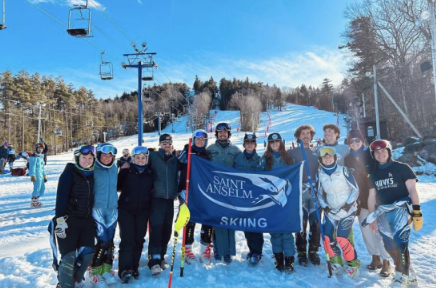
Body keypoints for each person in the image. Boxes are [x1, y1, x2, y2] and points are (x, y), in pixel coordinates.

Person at [366, 139, 422, 286]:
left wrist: (417, 212)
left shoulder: (402, 168)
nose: (380, 154)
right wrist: (372, 218)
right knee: (388, 245)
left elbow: (412, 190)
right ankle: (409, 273)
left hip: (400, 208)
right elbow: (371, 198)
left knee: (399, 242)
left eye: (383, 151)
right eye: (376, 152)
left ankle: (401, 275)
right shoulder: (373, 173)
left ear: (389, 151)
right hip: (383, 211)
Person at [344, 130, 391, 277]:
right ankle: (374, 257)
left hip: (376, 199)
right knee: (366, 231)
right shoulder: (347, 159)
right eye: (352, 141)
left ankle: (386, 261)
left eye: (357, 141)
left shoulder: (371, 155)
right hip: (360, 200)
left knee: (379, 231)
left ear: (362, 142)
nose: (355, 144)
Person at [53, 145, 96, 288]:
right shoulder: (69, 173)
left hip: (87, 221)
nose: (87, 161)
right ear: (78, 158)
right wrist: (59, 221)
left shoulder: (93, 174)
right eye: (84, 158)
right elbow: (61, 199)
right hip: (69, 220)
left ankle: (77, 279)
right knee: (69, 256)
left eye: (90, 158)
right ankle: (65, 284)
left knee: (88, 253)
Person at [316, 146, 360, 277]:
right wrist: (325, 207)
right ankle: (337, 262)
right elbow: (319, 194)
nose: (327, 158)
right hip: (331, 211)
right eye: (324, 156)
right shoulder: (320, 174)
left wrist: (347, 206)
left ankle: (353, 264)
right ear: (320, 159)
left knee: (342, 238)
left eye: (330, 156)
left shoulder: (343, 170)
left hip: (347, 210)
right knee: (327, 238)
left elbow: (355, 190)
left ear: (335, 158)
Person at [117, 146, 154, 283]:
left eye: (143, 158)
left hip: (142, 211)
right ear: (133, 158)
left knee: (139, 239)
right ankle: (124, 269)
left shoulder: (150, 173)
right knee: (128, 239)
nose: (140, 160)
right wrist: (122, 169)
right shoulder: (126, 171)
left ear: (146, 159)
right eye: (137, 158)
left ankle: (134, 267)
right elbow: (116, 186)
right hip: (126, 210)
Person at [206, 122, 241, 264]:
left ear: (229, 134)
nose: (222, 134)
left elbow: (240, 169)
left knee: (229, 220)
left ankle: (229, 251)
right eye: (220, 132)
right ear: (216, 134)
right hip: (215, 190)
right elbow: (202, 165)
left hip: (231, 191)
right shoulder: (210, 149)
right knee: (218, 221)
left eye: (225, 132)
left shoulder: (236, 150)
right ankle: (218, 249)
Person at [178, 129, 214, 264]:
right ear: (193, 140)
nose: (199, 142)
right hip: (187, 190)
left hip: (203, 191)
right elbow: (176, 164)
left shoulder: (207, 154)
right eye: (197, 139)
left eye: (202, 140)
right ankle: (187, 248)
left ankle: (205, 248)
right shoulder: (186, 151)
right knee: (189, 219)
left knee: (207, 218)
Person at [261, 132, 295, 273]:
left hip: (286, 199)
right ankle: (278, 257)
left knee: (286, 231)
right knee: (275, 231)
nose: (275, 144)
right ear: (269, 144)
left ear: (281, 142)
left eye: (277, 142)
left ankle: (289, 259)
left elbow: (294, 175)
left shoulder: (288, 158)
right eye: (272, 142)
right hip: (272, 200)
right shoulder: (265, 159)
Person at [147, 134, 181, 275]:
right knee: (156, 229)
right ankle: (153, 260)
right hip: (156, 198)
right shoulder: (153, 156)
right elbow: (141, 164)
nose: (167, 145)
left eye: (169, 143)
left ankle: (161, 256)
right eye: (164, 143)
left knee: (167, 230)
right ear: (160, 144)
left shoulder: (174, 159)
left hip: (169, 200)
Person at [288, 125, 321, 266]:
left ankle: (313, 251)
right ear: (298, 136)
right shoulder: (291, 152)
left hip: (314, 191)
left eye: (308, 134)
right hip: (299, 192)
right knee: (301, 223)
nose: (306, 136)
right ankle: (301, 251)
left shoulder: (317, 152)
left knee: (315, 223)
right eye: (303, 134)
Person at [89, 143, 119, 287]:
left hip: (112, 209)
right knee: (100, 242)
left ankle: (106, 270)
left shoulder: (114, 168)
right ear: (99, 156)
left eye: (110, 155)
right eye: (104, 155)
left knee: (110, 242)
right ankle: (95, 273)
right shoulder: (93, 168)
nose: (107, 158)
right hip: (98, 209)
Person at [233, 133, 263, 266]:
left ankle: (257, 252)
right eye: (247, 142)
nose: (250, 144)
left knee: (255, 224)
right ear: (244, 144)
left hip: (255, 198)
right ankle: (251, 250)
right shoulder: (238, 158)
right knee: (246, 224)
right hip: (241, 197)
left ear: (255, 144)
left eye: (252, 142)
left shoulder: (260, 159)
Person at [29, 143, 47, 208]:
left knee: (42, 188)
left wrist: (44, 175)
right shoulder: (34, 157)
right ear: (36, 149)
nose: (40, 149)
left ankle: (36, 200)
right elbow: (32, 167)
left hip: (41, 175)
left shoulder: (41, 156)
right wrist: (32, 175)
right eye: (38, 148)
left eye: (41, 148)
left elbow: (42, 167)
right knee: (37, 188)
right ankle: (34, 203)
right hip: (36, 174)